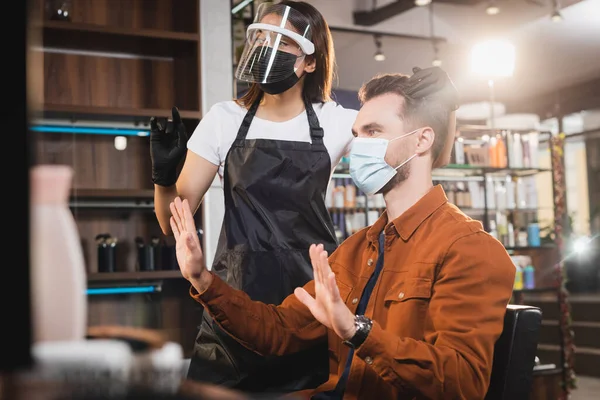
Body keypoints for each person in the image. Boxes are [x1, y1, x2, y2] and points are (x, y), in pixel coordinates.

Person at [168, 67, 517, 400]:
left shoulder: (469, 250)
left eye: (373, 132)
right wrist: (202, 280)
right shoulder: (355, 250)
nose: (358, 148)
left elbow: (462, 384)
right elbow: (279, 331)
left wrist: (357, 331)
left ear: (422, 140)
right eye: (357, 134)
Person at [148, 0, 359, 392]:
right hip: (232, 299)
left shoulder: (336, 122)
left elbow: (398, 142)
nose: (266, 47)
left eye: (282, 41)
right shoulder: (223, 118)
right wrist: (163, 178)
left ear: (311, 61)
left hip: (307, 305)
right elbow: (170, 220)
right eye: (261, 36)